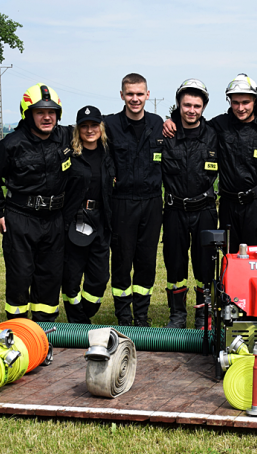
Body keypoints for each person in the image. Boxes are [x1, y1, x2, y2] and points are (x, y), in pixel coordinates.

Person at [0, 83, 72, 321]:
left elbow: (97, 125)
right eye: (40, 112)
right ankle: (18, 328)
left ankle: (44, 329)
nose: (46, 117)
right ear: (27, 113)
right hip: (21, 218)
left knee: (51, 276)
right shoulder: (11, 145)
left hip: (54, 219)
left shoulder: (66, 137)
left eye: (51, 112)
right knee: (20, 275)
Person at [163, 73, 257, 254]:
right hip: (228, 205)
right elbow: (193, 122)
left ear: (255, 101)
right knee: (228, 256)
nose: (240, 107)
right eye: (235, 102)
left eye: (246, 102)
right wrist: (172, 119)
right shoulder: (219, 124)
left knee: (256, 256)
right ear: (229, 101)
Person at [103, 74, 164, 327]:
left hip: (151, 202)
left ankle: (141, 316)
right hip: (122, 202)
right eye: (130, 94)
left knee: (146, 261)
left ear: (147, 95)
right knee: (121, 260)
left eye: (140, 94)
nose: (135, 99)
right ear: (122, 95)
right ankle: (124, 317)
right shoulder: (109, 125)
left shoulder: (159, 123)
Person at [160, 79, 219, 329]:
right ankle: (177, 315)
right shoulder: (165, 134)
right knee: (175, 264)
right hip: (175, 210)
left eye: (197, 105)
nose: (191, 110)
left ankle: (203, 313)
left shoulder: (215, 135)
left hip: (204, 210)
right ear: (178, 105)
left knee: (206, 265)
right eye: (187, 105)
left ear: (204, 106)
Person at [61, 106, 115, 324]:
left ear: (101, 127)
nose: (90, 130)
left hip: (101, 220)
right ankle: (77, 319)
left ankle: (87, 312)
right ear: (78, 129)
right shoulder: (69, 154)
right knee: (72, 275)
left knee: (100, 277)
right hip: (76, 219)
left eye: (94, 125)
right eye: (84, 126)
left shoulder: (109, 153)